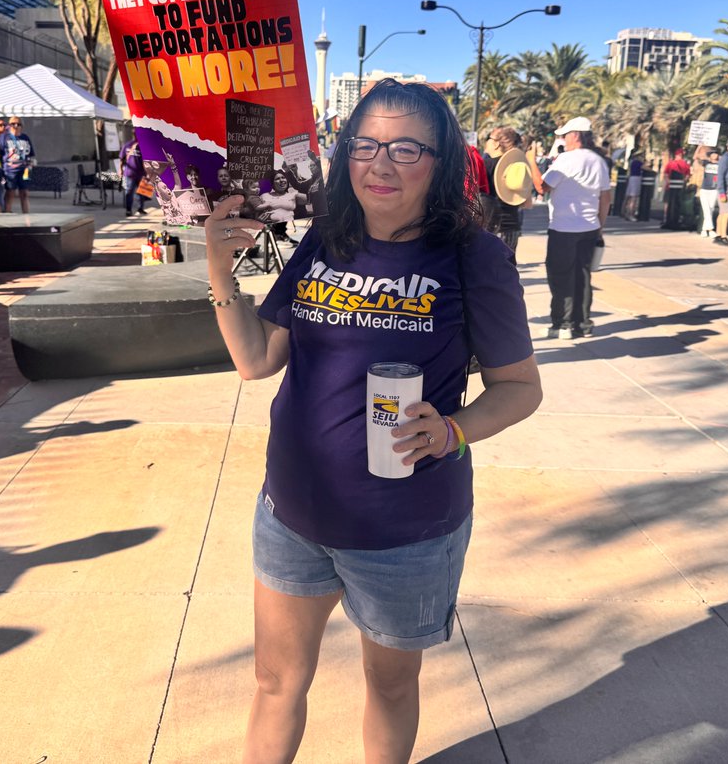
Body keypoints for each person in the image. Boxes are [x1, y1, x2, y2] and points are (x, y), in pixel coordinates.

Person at [202, 78, 542, 762]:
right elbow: (255, 359)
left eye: (407, 148)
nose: (381, 163)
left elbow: (520, 389)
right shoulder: (329, 238)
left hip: (405, 530)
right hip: (292, 513)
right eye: (366, 143)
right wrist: (217, 267)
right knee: (273, 681)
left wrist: (453, 431)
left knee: (388, 688)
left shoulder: (474, 257)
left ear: (443, 162)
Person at [542, 116, 611, 339]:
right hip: (589, 226)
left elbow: (543, 186)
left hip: (564, 226)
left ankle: (562, 324)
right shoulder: (599, 161)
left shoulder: (565, 160)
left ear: (575, 135)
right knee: (582, 276)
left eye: (564, 136)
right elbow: (605, 198)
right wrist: (600, 226)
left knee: (560, 275)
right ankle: (583, 324)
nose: (563, 140)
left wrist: (531, 162)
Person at [489, 127, 536, 257]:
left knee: (486, 272)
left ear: (497, 143)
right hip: (512, 227)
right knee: (507, 270)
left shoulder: (486, 164)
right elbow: (527, 203)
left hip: (490, 226)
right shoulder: (519, 167)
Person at [0, 117, 35, 214]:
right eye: (13, 124)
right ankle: (7, 213)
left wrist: (31, 164)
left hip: (24, 170)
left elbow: (31, 154)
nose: (16, 126)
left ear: (22, 126)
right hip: (10, 171)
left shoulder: (25, 138)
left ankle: (26, 215)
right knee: (10, 193)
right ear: (9, 125)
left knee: (24, 193)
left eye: (18, 124)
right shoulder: (4, 137)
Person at [694, 146, 720, 238]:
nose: (714, 155)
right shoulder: (706, 163)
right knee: (706, 209)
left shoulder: (720, 164)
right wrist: (699, 146)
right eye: (712, 153)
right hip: (704, 189)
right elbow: (695, 157)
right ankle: (710, 229)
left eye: (715, 153)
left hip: (714, 189)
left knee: (711, 208)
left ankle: (705, 229)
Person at [119, 135, 146, 215]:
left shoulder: (143, 146)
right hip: (130, 173)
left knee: (141, 192)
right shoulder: (127, 145)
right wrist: (120, 170)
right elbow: (121, 158)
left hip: (140, 173)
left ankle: (140, 208)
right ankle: (129, 210)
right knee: (130, 192)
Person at [622, 152, 644, 221]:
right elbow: (644, 167)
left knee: (628, 197)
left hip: (632, 178)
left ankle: (625, 212)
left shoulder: (632, 162)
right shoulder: (637, 162)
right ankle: (631, 214)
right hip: (636, 179)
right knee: (634, 198)